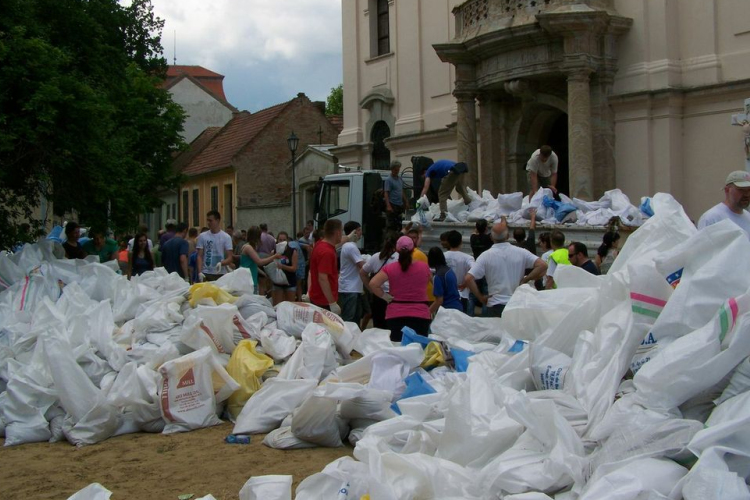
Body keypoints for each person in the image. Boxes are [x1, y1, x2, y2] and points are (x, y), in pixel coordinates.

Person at [464, 219, 547, 317]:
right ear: (508, 236)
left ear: (491, 237)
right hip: (516, 303)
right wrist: (526, 279)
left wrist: (481, 298)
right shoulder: (521, 252)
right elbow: (543, 265)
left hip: (495, 304)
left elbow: (468, 278)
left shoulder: (485, 256)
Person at [369, 235, 432, 341]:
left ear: (396, 249)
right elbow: (431, 282)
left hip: (396, 313)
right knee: (419, 350)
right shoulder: (424, 267)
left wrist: (385, 296)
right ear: (413, 249)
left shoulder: (390, 268)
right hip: (420, 313)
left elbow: (373, 284)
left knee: (398, 350)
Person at [697, 170, 750, 240]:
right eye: (741, 190)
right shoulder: (711, 218)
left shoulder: (748, 217)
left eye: (749, 190)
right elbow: (702, 248)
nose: (746, 194)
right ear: (727, 190)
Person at [360, 234, 398, 329]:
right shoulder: (400, 257)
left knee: (379, 326)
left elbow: (362, 273)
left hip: (378, 296)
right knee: (393, 326)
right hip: (394, 296)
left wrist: (371, 290)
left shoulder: (376, 256)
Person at [309, 219, 343, 314]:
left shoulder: (320, 244)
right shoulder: (327, 253)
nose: (342, 234)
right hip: (324, 301)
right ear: (337, 233)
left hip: (317, 297)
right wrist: (332, 303)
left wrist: (349, 237)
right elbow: (323, 278)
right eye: (342, 231)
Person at [334, 221, 365, 323]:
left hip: (352, 287)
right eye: (359, 230)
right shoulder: (351, 246)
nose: (361, 232)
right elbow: (362, 266)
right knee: (349, 319)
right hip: (350, 289)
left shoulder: (349, 246)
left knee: (355, 318)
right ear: (354, 232)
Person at [240, 226, 281, 294]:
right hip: (249, 280)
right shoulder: (248, 248)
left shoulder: (247, 246)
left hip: (250, 278)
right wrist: (274, 256)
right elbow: (259, 261)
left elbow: (252, 264)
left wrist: (263, 273)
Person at [196, 210, 233, 281]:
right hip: (206, 272)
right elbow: (199, 256)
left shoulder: (226, 237)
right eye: (207, 220)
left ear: (217, 220)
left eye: (210, 221)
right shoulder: (202, 236)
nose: (208, 223)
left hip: (220, 273)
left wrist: (221, 263)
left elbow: (230, 257)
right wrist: (200, 272)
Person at [444, 230, 475, 313]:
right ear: (461, 242)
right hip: (462, 294)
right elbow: (475, 270)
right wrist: (466, 283)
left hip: (445, 295)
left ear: (448, 242)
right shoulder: (467, 258)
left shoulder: (442, 256)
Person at [428, 247, 463, 316]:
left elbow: (439, 300)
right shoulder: (449, 270)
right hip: (458, 307)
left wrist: (427, 313)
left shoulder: (438, 276)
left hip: (448, 311)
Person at [468, 219, 493, 316]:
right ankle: (484, 317)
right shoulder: (489, 238)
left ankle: (469, 315)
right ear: (486, 228)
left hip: (476, 268)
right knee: (486, 295)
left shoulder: (473, 238)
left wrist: (478, 229)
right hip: (487, 270)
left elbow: (474, 232)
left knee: (472, 295)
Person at [407, 227, 435, 303]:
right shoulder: (411, 253)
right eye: (410, 238)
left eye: (414, 238)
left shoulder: (417, 254)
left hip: (424, 295)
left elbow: (429, 275)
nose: (412, 240)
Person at [271, 232, 299, 305]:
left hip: (290, 281)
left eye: (284, 240)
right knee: (277, 306)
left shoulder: (293, 251)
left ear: (287, 241)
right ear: (277, 240)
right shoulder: (274, 252)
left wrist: (283, 266)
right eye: (280, 240)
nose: (282, 241)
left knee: (290, 306)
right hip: (277, 282)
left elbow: (294, 268)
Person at [385, 160, 409, 231]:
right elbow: (386, 193)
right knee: (392, 226)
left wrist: (406, 201)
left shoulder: (399, 179)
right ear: (392, 169)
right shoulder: (388, 180)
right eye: (396, 170)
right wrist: (388, 206)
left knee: (400, 224)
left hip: (400, 205)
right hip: (393, 205)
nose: (397, 171)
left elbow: (401, 191)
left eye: (398, 169)